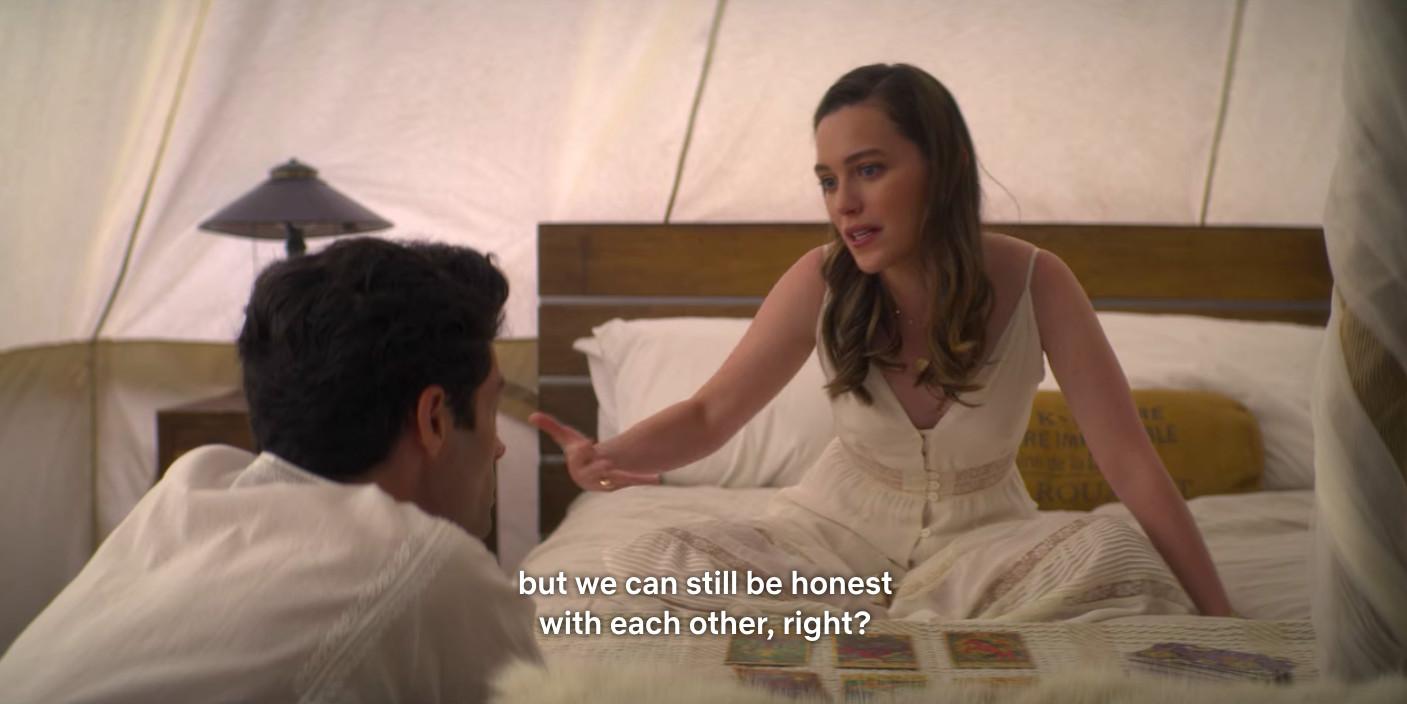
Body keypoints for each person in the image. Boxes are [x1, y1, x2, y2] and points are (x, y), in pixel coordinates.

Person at [532, 63, 1233, 620]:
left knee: (1113, 554)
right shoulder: (819, 279)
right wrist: (609, 454)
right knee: (661, 561)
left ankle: (907, 629)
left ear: (943, 167)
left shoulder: (1038, 282)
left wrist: (1222, 615)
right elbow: (710, 414)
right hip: (828, 546)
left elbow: (1128, 462)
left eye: (868, 170)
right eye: (828, 180)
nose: (843, 202)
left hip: (985, 551)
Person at [0, 238, 541, 702]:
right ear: (434, 419)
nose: (498, 448)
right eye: (493, 409)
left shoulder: (188, 490)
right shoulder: (430, 569)